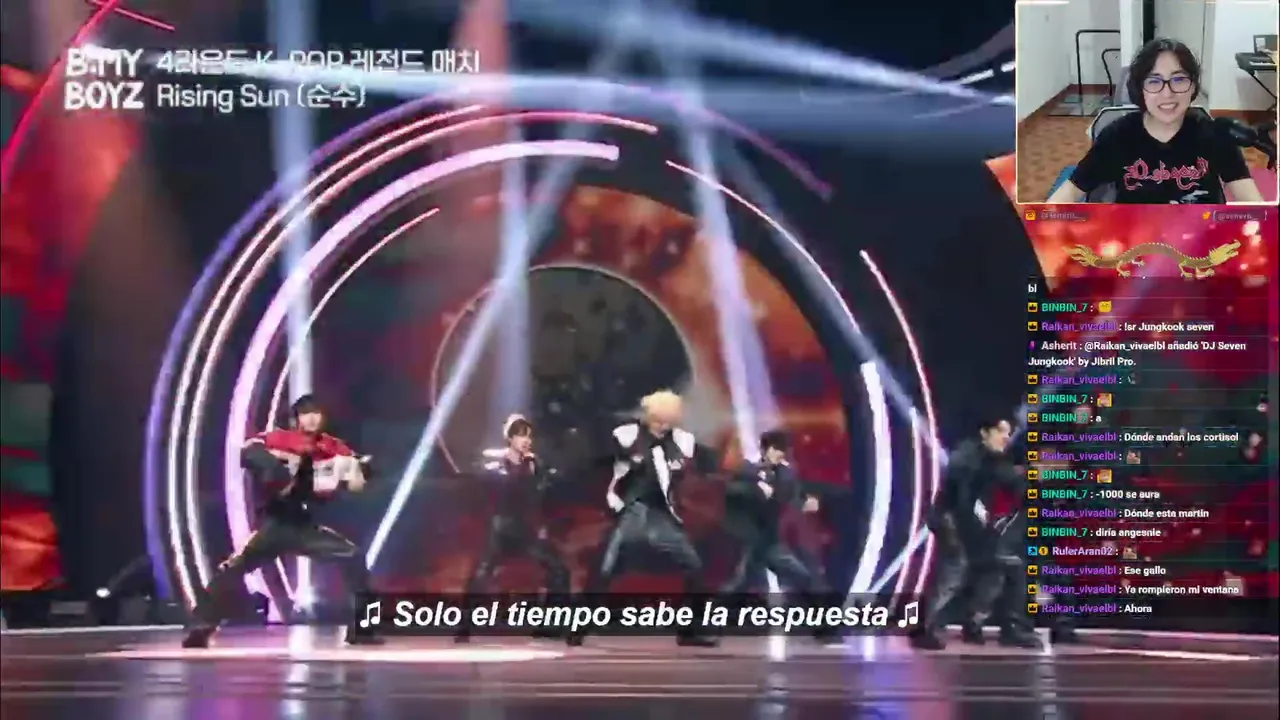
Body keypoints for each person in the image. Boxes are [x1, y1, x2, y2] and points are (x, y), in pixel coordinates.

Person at [182, 395, 381, 648]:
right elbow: (249, 450)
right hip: (275, 524)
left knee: (353, 557)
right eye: (306, 413)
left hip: (304, 526)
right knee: (233, 570)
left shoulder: (332, 446)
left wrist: (359, 471)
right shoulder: (280, 439)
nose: (312, 418)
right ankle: (201, 627)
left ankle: (363, 629)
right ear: (296, 418)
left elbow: (359, 466)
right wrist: (275, 469)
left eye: (316, 413)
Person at [566, 389, 718, 647]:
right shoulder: (628, 435)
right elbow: (603, 460)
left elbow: (707, 464)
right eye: (657, 419)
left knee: (694, 565)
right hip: (634, 511)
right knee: (606, 568)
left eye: (667, 421)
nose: (662, 425)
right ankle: (578, 627)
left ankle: (690, 630)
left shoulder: (681, 442)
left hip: (661, 515)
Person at [1047, 38, 1264, 204]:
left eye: (1179, 79)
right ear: (1140, 89)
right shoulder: (1117, 136)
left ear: (1193, 86)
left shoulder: (1216, 135)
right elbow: (1070, 191)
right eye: (1154, 81)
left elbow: (1251, 200)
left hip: (1202, 241)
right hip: (1134, 243)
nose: (1167, 94)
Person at [456, 415, 571, 642]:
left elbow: (544, 495)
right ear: (510, 438)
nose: (526, 441)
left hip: (526, 530)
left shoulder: (535, 465)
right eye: (521, 436)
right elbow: (481, 481)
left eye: (529, 436)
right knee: (481, 574)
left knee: (560, 569)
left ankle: (551, 625)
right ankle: (464, 626)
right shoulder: (496, 465)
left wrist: (538, 471)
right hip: (501, 530)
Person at [721, 429, 839, 643]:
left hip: (770, 540)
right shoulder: (748, 470)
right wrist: (757, 489)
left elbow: (792, 496)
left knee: (800, 578)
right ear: (765, 449)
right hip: (753, 538)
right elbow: (731, 491)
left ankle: (823, 629)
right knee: (740, 586)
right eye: (775, 449)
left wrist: (805, 503)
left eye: (782, 450)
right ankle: (701, 623)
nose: (779, 454)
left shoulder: (787, 473)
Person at [911, 418, 1016, 650]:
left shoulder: (996, 460)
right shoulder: (966, 457)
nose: (1006, 438)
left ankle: (974, 623)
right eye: (1001, 432)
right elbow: (961, 500)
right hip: (950, 520)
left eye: (1008, 433)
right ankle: (925, 628)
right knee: (954, 571)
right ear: (985, 433)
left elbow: (1011, 483)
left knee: (994, 571)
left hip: (974, 524)